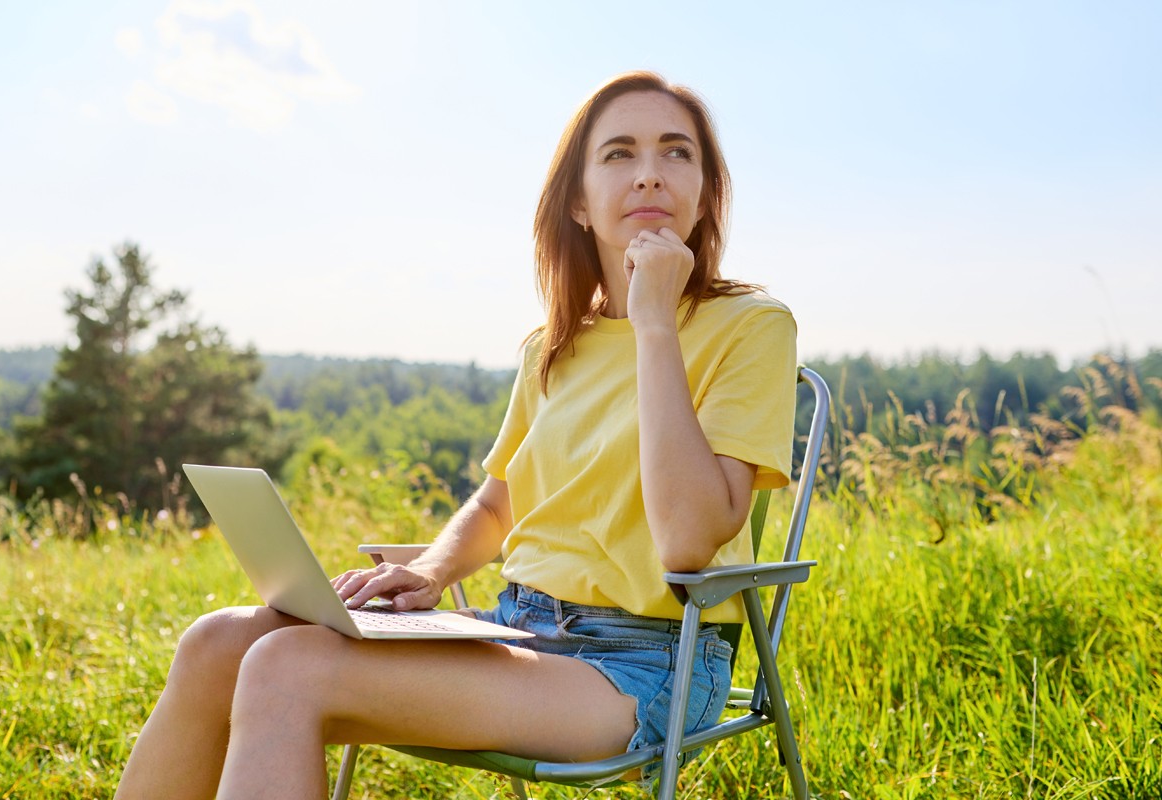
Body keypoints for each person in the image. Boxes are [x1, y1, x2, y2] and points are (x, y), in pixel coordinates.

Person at [114, 70, 797, 800]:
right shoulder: (553, 346)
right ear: (577, 199)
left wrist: (655, 322)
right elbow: (499, 503)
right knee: (217, 643)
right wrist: (433, 571)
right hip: (517, 629)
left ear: (704, 191)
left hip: (645, 664)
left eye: (676, 154)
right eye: (619, 154)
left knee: (286, 670)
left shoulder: (751, 326)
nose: (650, 176)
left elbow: (691, 541)